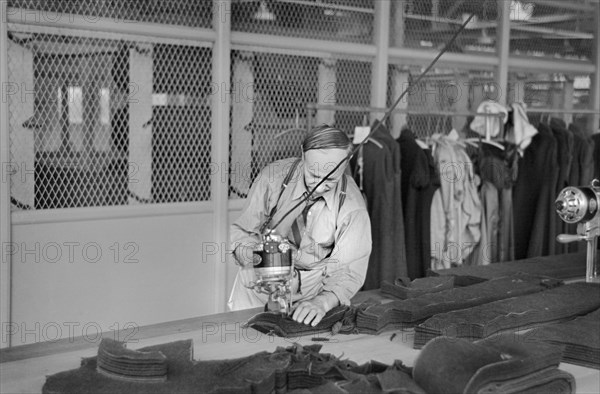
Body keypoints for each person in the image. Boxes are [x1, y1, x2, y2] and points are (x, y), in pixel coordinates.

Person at [228, 124, 372, 326]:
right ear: (303, 155)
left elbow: (349, 268)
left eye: (330, 179)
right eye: (313, 174)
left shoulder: (352, 206)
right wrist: (251, 259)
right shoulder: (272, 178)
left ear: (347, 162)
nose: (320, 185)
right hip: (257, 291)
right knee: (244, 347)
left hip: (307, 297)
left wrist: (323, 302)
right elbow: (242, 231)